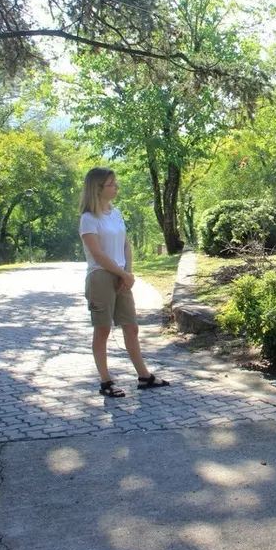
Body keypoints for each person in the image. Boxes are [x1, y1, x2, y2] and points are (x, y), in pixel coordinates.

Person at [79, 167, 167, 397]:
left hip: (121, 276)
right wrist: (122, 273)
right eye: (111, 183)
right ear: (98, 188)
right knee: (103, 330)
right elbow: (97, 254)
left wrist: (128, 272)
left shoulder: (115, 213)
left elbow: (126, 243)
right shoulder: (88, 219)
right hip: (100, 277)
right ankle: (106, 382)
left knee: (131, 327)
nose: (116, 186)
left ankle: (144, 376)